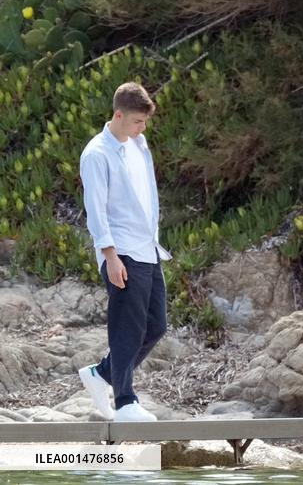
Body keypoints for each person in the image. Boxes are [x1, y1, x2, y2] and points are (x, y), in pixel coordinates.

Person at [78, 82, 170, 421]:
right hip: (121, 251)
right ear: (118, 115)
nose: (142, 128)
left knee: (156, 325)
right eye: (136, 121)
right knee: (126, 327)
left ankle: (102, 373)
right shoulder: (96, 154)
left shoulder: (138, 145)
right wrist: (110, 256)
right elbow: (96, 210)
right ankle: (125, 400)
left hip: (148, 249)